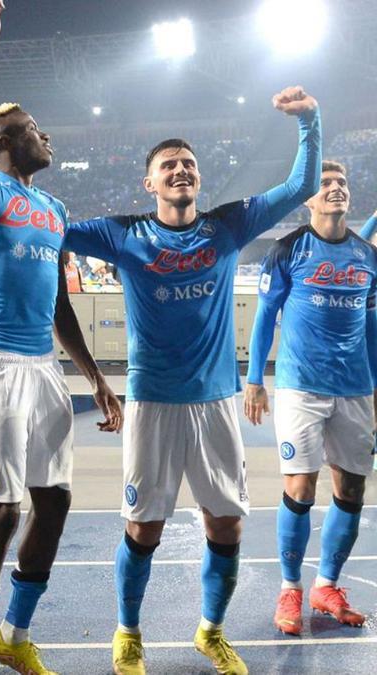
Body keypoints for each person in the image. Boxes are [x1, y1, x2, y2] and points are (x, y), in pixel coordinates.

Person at [62, 84, 321, 674]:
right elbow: (49, 227)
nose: (181, 170)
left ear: (198, 182)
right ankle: (127, 633)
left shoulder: (227, 226)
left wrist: (310, 122)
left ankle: (210, 630)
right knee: (143, 527)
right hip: (152, 401)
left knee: (225, 523)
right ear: (148, 184)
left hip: (216, 403)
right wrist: (2, 193)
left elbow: (300, 187)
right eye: (168, 165)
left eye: (189, 165)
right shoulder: (122, 233)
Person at [0, 3, 121, 674]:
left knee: (56, 499)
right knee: (2, 510)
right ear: (3, 142)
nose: (46, 137)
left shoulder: (55, 208)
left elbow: (59, 300)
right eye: (32, 129)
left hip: (44, 365)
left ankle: (13, 634)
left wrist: (94, 374)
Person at [243, 160, 377, 635]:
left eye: (342, 182)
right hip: (301, 386)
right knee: (300, 487)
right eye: (326, 184)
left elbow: (372, 329)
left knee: (352, 489)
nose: (336, 188)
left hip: (356, 389)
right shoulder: (287, 249)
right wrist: (255, 378)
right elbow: (264, 318)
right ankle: (290, 588)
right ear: (309, 199)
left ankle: (327, 585)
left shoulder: (367, 256)